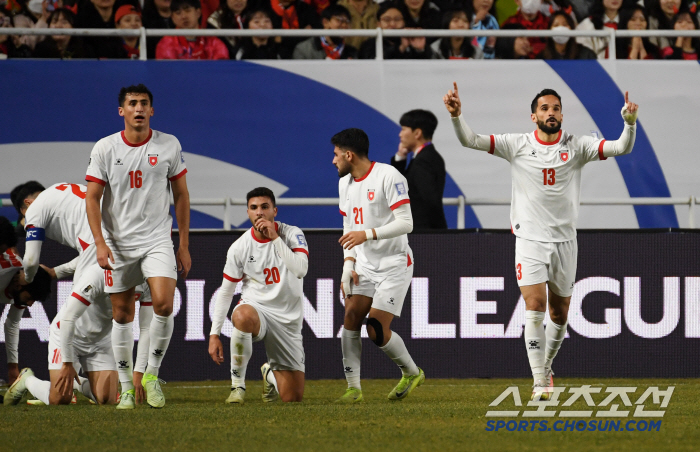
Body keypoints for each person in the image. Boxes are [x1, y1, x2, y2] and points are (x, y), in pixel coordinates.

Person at [443, 82, 638, 400]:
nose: (551, 113)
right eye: (545, 108)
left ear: (562, 115)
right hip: (529, 239)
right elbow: (471, 140)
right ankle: (538, 380)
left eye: (556, 108)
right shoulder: (516, 144)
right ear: (533, 116)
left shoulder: (578, 146)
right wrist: (456, 116)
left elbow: (621, 148)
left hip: (565, 242)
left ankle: (546, 366)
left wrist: (629, 124)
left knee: (560, 314)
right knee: (534, 306)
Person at [85, 83, 191, 409]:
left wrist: (184, 243)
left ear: (152, 110)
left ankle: (150, 375)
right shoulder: (105, 148)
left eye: (144, 103)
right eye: (133, 103)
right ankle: (126, 389)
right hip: (117, 243)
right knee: (122, 314)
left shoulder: (169, 144)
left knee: (163, 303)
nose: (139, 109)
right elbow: (92, 197)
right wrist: (100, 243)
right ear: (122, 111)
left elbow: (182, 195)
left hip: (157, 238)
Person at [332, 128, 424, 404]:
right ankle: (353, 389)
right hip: (364, 264)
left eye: (336, 155)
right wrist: (348, 265)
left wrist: (368, 233)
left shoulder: (389, 176)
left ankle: (411, 372)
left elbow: (406, 222)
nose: (333, 161)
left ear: (349, 155)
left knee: (375, 329)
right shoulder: (344, 184)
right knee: (350, 316)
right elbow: (349, 226)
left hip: (395, 263)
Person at [209, 187, 308, 404]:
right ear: (248, 213)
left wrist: (274, 238)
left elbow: (301, 269)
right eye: (254, 208)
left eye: (264, 207)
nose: (259, 212)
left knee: (292, 398)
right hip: (258, 309)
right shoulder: (239, 247)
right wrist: (214, 334)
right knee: (242, 316)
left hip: (288, 321)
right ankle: (237, 387)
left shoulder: (292, 234)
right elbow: (226, 291)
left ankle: (268, 374)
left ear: (274, 211)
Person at [5, 273, 153, 408]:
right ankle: (27, 379)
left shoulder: (145, 279)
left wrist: (138, 373)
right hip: (69, 335)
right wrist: (68, 362)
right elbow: (68, 319)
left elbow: (146, 329)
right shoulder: (96, 276)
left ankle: (76, 384)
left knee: (107, 399)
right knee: (59, 399)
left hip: (102, 340)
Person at [391, 110, 447, 230]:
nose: (400, 134)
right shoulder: (424, 157)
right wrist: (401, 157)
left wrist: (436, 235)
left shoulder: (424, 160)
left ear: (417, 133)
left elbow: (430, 202)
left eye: (403, 129)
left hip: (424, 233)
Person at [155, 0, 229, 59]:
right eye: (178, 13)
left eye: (188, 10)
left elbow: (221, 71)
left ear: (198, 12)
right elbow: (167, 73)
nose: (183, 16)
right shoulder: (166, 44)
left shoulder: (213, 43)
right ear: (173, 18)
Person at [359, 3, 435, 59]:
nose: (392, 24)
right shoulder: (369, 44)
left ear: (404, 22)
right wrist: (400, 48)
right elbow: (372, 64)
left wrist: (420, 50)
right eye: (387, 20)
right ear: (378, 24)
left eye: (397, 19)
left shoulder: (412, 40)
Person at [293, 4, 358, 59]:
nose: (344, 25)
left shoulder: (352, 53)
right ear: (325, 22)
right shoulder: (304, 50)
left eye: (347, 21)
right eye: (339, 20)